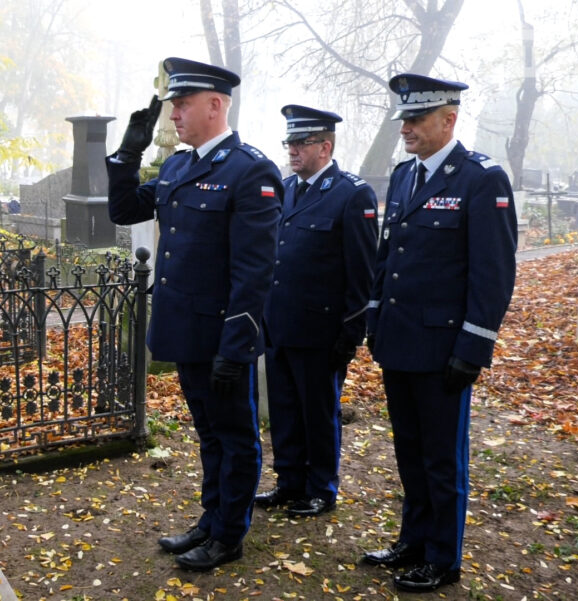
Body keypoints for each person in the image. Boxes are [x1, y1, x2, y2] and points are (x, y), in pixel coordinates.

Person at [105, 57, 282, 572]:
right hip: (185, 328)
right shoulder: (180, 165)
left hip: (223, 336)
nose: (174, 115)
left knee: (236, 436)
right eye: (173, 105)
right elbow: (124, 211)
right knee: (209, 433)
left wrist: (237, 345)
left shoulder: (251, 170)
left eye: (182, 104)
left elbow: (255, 271)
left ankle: (230, 535)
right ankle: (211, 519)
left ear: (215, 104)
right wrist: (128, 153)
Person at [362, 74, 517, 593]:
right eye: (403, 119)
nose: (405, 128)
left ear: (448, 119)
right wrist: (375, 319)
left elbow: (492, 273)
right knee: (408, 448)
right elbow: (389, 261)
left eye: (416, 119)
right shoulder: (405, 176)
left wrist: (474, 346)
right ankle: (413, 538)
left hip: (445, 347)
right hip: (400, 341)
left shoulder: (480, 179)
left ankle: (443, 556)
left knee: (441, 457)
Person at [255, 105, 378, 518]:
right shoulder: (287, 189)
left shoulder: (351, 194)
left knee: (318, 413)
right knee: (286, 411)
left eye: (300, 143)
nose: (291, 149)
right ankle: (289, 482)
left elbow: (362, 272)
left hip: (321, 329)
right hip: (280, 324)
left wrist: (350, 332)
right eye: (289, 142)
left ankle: (321, 488)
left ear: (325, 146)